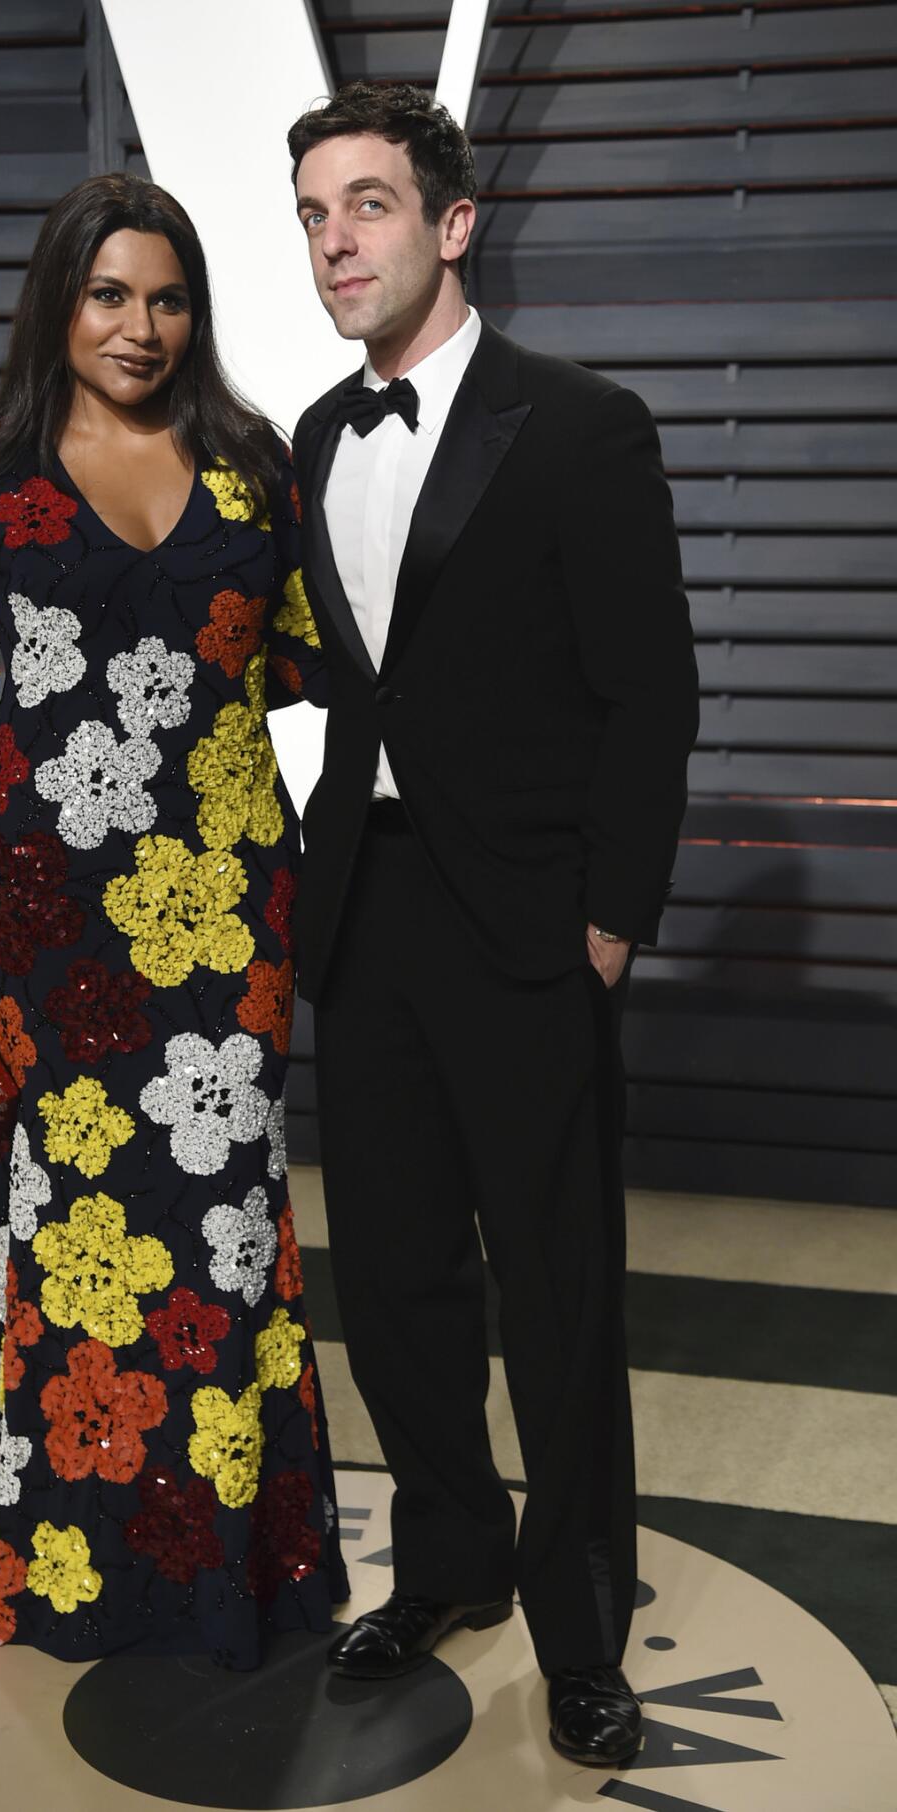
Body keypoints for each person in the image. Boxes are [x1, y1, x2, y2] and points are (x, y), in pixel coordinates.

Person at [0, 173, 347, 1669]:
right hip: (45, 929)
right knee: (76, 1233)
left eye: (167, 299)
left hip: (224, 920)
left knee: (221, 1231)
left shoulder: (253, 470)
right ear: (60, 304)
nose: (140, 328)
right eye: (109, 296)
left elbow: (313, 673)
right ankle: (80, 1561)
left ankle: (229, 1563)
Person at [285, 84, 700, 1763]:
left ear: (454, 225)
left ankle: (583, 1626)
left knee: (559, 1290)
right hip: (364, 918)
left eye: (369, 207)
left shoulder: (582, 422)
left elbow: (650, 697)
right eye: (315, 215)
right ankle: (447, 1560)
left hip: (531, 931)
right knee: (391, 1284)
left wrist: (610, 922)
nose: (336, 244)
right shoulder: (313, 436)